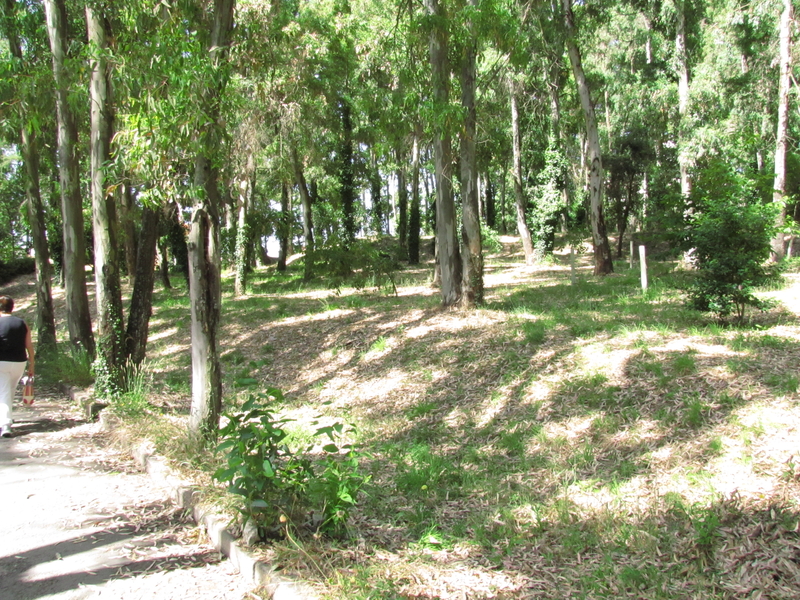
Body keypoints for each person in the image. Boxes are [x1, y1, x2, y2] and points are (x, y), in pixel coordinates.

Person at [0, 296, 34, 438]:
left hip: (1, 362)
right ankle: (7, 416)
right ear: (12, 307)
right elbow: (29, 346)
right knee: (9, 389)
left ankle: (5, 424)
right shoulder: (22, 323)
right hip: (19, 362)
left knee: (4, 392)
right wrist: (32, 365)